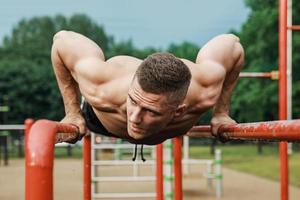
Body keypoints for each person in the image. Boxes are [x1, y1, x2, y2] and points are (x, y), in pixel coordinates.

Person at [52, 30, 243, 146]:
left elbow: (233, 44)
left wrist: (221, 112)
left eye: (150, 111)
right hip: (101, 119)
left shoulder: (205, 91)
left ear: (179, 111)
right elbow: (61, 40)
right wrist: (73, 112)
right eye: (133, 101)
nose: (133, 117)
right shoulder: (101, 87)